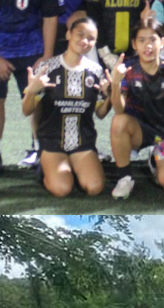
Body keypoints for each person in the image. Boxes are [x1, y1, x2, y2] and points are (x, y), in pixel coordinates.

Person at [22, 12, 111, 196]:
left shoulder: (96, 71)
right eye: (80, 35)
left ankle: (76, 168)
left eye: (91, 38)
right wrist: (32, 90)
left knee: (94, 188)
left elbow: (101, 113)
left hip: (83, 143)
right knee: (62, 190)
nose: (85, 41)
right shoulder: (47, 68)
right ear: (69, 34)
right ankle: (45, 167)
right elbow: (26, 110)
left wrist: (110, 93)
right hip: (53, 142)